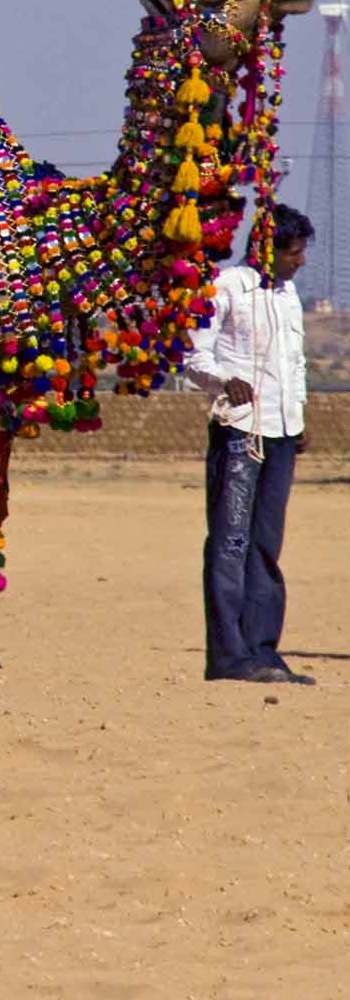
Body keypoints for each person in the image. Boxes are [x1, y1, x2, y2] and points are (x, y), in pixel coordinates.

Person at [185, 204, 313, 686]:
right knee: (230, 541)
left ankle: (263, 650)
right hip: (240, 429)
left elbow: (295, 363)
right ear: (268, 248)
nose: (300, 261)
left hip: (282, 431)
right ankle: (228, 655)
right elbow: (194, 355)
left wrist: (298, 413)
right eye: (293, 252)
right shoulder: (225, 288)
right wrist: (224, 380)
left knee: (265, 544)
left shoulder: (289, 295)